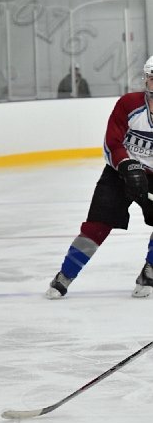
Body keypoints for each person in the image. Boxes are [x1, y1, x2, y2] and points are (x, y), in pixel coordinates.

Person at [45, 55, 153, 299]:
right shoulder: (128, 104)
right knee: (96, 225)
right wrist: (127, 165)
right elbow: (112, 143)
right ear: (145, 80)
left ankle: (150, 272)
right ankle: (66, 275)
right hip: (119, 174)